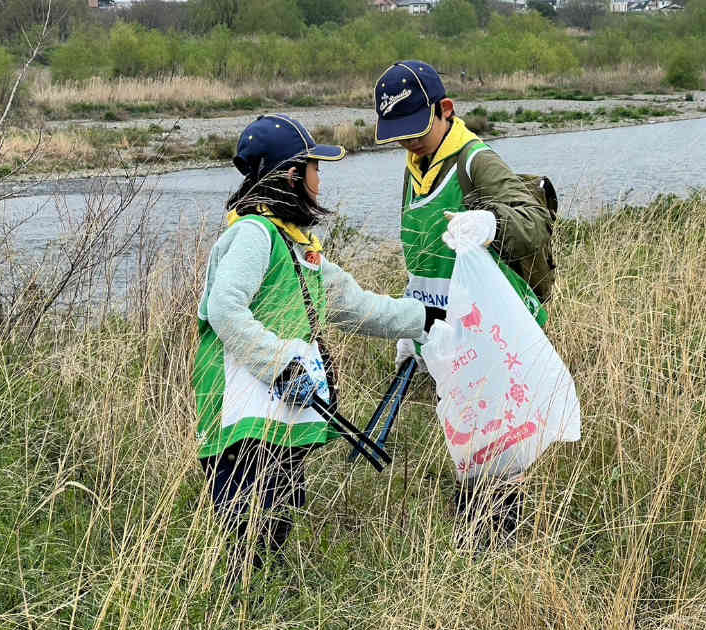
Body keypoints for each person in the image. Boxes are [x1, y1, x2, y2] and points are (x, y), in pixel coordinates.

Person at [193, 114, 426, 575]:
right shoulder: (253, 235)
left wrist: (429, 320)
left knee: (273, 528)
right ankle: (241, 613)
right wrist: (280, 365)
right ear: (292, 175)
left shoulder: (300, 246)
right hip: (241, 419)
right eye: (315, 169)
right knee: (250, 537)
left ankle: (256, 610)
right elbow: (224, 309)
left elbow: (357, 307)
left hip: (274, 415)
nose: (321, 180)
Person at [373, 61, 555, 538]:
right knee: (467, 444)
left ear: (445, 110)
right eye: (398, 133)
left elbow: (534, 224)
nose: (407, 141)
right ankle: (483, 551)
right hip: (447, 333)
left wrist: (491, 224)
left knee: (496, 450)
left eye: (416, 128)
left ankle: (497, 555)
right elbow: (425, 262)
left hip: (491, 329)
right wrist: (413, 324)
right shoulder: (416, 167)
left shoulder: (476, 161)